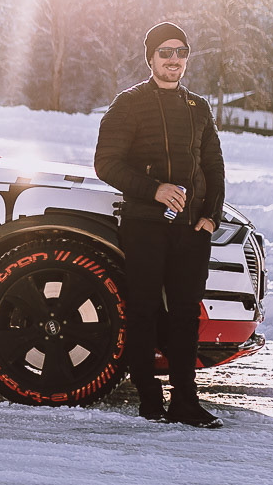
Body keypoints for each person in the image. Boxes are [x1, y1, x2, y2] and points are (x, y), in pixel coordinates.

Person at [93, 22, 226, 428]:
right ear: (150, 58)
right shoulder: (129, 104)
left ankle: (186, 400)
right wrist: (154, 190)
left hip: (191, 230)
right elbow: (106, 164)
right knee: (145, 310)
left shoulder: (198, 107)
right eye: (165, 52)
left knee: (186, 314)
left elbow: (213, 165)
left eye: (181, 52)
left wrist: (211, 215)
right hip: (146, 226)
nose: (174, 60)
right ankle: (149, 400)